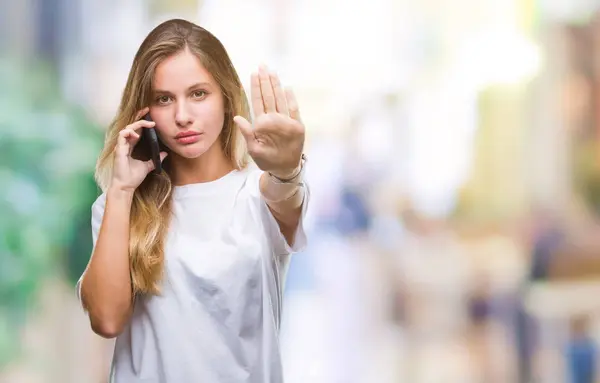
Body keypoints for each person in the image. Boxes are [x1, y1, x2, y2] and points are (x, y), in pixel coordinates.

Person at [76, 19, 309, 383]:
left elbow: (286, 199)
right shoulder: (118, 207)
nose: (182, 116)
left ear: (226, 96)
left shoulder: (259, 194)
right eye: (164, 99)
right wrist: (121, 191)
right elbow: (106, 320)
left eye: (198, 93)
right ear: (145, 112)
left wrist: (288, 169)